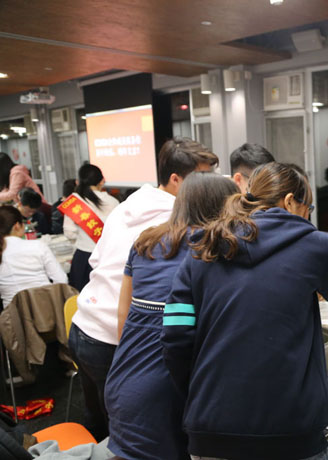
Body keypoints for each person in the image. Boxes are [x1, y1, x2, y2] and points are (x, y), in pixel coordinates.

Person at [161, 163, 328, 460]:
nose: (308, 215)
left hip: (213, 430)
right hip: (293, 431)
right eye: (309, 207)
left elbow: (175, 336)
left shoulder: (203, 244)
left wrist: (203, 391)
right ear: (291, 201)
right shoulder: (312, 246)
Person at [68, 137, 219, 441]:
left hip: (83, 327)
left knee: (98, 424)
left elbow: (97, 261)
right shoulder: (174, 222)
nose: (207, 186)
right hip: (115, 337)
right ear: (176, 179)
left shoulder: (128, 205)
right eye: (201, 178)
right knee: (133, 432)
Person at [105, 173, 238, 460]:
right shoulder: (213, 250)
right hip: (167, 391)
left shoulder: (146, 242)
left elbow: (123, 312)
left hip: (125, 377)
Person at [63, 164, 120, 291]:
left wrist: (82, 238)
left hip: (83, 257)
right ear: (102, 181)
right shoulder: (113, 202)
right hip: (106, 257)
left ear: (79, 181)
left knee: (81, 295)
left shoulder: (74, 201)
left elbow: (69, 233)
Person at [0, 206, 67, 308]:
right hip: (45, 308)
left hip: (12, 316)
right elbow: (61, 280)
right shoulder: (37, 246)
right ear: (17, 226)